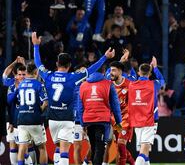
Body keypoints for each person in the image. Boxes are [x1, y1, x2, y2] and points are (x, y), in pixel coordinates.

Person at [31, 32, 115, 165]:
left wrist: (36, 46)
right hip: (68, 118)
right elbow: (92, 69)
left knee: (59, 147)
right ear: (70, 65)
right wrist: (105, 57)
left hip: (52, 119)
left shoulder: (48, 76)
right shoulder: (73, 77)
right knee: (65, 150)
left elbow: (37, 63)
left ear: (57, 63)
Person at [78, 66, 122, 165]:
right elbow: (115, 104)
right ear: (103, 71)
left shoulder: (83, 85)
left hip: (88, 120)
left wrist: (82, 123)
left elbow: (80, 106)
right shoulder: (108, 84)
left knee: (94, 147)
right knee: (100, 147)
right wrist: (119, 121)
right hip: (102, 121)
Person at [128, 57, 165, 165]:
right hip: (150, 121)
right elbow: (162, 81)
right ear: (149, 73)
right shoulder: (154, 84)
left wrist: (128, 64)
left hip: (136, 121)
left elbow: (129, 76)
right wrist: (156, 68)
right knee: (144, 150)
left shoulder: (132, 84)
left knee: (144, 150)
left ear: (139, 72)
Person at [16, 63, 48, 165]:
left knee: (22, 146)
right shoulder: (39, 84)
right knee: (42, 147)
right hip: (35, 119)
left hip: (21, 120)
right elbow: (46, 102)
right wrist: (40, 110)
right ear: (36, 72)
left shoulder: (20, 85)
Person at [109, 60, 135, 165]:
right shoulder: (109, 85)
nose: (111, 73)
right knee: (119, 147)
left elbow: (133, 103)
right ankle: (133, 162)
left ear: (120, 71)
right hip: (113, 119)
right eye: (111, 70)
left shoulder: (129, 84)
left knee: (120, 144)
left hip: (126, 118)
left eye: (114, 70)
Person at [2, 58, 27, 165]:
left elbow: (28, 73)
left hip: (24, 118)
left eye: (23, 74)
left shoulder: (27, 83)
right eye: (19, 74)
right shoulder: (10, 83)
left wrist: (23, 64)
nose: (21, 77)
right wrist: (14, 63)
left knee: (25, 147)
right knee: (12, 145)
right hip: (11, 118)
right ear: (15, 75)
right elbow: (4, 74)